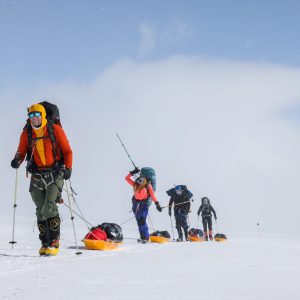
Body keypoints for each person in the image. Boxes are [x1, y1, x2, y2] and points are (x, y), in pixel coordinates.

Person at [11, 103, 73, 256]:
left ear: (43, 115)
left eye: (37, 115)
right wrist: (17, 160)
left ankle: (54, 241)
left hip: (55, 172)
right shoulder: (27, 133)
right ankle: (44, 243)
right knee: (40, 210)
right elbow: (21, 151)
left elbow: (67, 151)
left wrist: (69, 168)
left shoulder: (55, 129)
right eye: (31, 116)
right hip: (37, 174)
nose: (34, 118)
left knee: (48, 206)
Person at [125, 167, 162, 243]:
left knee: (142, 220)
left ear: (144, 179)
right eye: (138, 180)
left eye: (141, 180)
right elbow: (127, 178)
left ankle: (146, 237)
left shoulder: (148, 186)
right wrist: (132, 173)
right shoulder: (135, 184)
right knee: (139, 221)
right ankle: (142, 237)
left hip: (143, 205)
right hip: (135, 205)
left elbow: (152, 195)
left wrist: (157, 204)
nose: (140, 182)